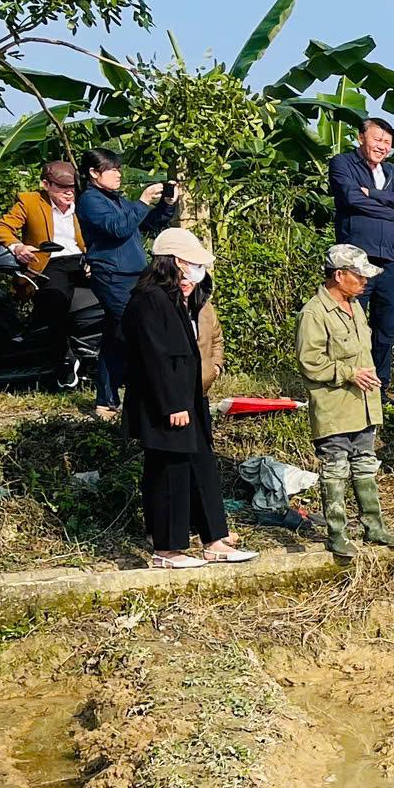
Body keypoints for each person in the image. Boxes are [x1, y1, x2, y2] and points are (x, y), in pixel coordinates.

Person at [123, 229, 253, 569]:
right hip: (166, 402)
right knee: (170, 471)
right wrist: (173, 404)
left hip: (188, 397)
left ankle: (215, 541)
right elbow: (156, 358)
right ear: (175, 262)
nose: (196, 271)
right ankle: (166, 549)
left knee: (201, 465)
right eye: (192, 264)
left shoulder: (174, 298)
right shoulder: (149, 299)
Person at [297, 244, 394, 563]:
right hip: (334, 406)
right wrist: (349, 373)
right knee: (335, 469)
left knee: (365, 464)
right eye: (359, 276)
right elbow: (310, 361)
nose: (364, 282)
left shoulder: (355, 306)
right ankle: (337, 533)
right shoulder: (313, 313)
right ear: (339, 275)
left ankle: (374, 526)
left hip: (363, 403)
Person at [76, 148, 180, 421]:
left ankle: (106, 401)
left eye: (118, 168)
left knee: (115, 336)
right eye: (112, 169)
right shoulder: (89, 201)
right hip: (111, 277)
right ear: (94, 173)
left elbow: (148, 224)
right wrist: (143, 200)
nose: (119, 174)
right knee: (140, 331)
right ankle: (149, 394)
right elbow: (118, 228)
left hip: (136, 274)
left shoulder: (117, 200)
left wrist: (166, 205)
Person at [329, 116, 394, 389]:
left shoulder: (392, 173)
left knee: (386, 325)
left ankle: (381, 384)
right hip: (357, 259)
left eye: (387, 143)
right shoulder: (343, 163)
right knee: (353, 322)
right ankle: (351, 379)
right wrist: (391, 211)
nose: (382, 146)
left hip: (389, 258)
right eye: (378, 139)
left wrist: (376, 196)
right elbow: (351, 198)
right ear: (361, 138)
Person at [0, 157, 88, 370]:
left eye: (72, 187)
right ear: (46, 184)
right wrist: (18, 247)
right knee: (54, 300)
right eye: (61, 187)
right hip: (49, 262)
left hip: (83, 260)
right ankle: (64, 360)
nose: (69, 192)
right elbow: (0, 227)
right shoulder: (30, 201)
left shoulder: (84, 202)